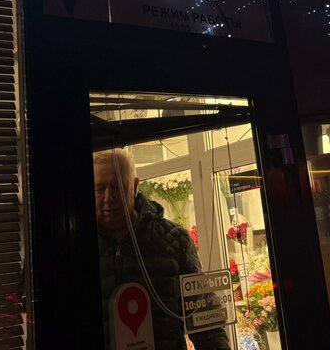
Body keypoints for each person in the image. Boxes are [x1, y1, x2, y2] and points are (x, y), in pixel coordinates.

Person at [94, 149, 231, 350]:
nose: (108, 198)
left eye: (117, 187)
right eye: (99, 189)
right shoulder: (76, 248)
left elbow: (204, 318)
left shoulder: (173, 241)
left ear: (134, 186)